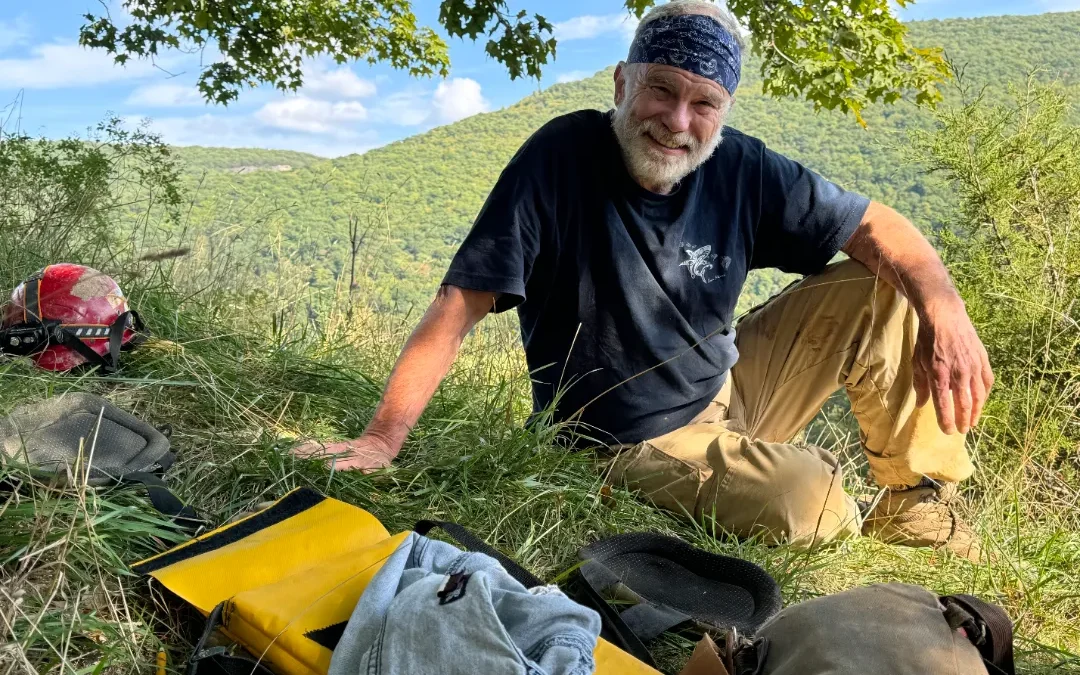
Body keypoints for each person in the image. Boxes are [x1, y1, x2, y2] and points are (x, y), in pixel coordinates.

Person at [296, 0, 994, 559]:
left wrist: (947, 310)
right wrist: (382, 438)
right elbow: (460, 301)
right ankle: (797, 483)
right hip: (626, 442)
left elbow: (879, 227)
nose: (678, 121)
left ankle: (914, 505)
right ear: (624, 82)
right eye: (662, 89)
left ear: (723, 112)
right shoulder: (561, 157)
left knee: (883, 284)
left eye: (704, 104)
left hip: (732, 389)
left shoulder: (742, 167)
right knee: (811, 502)